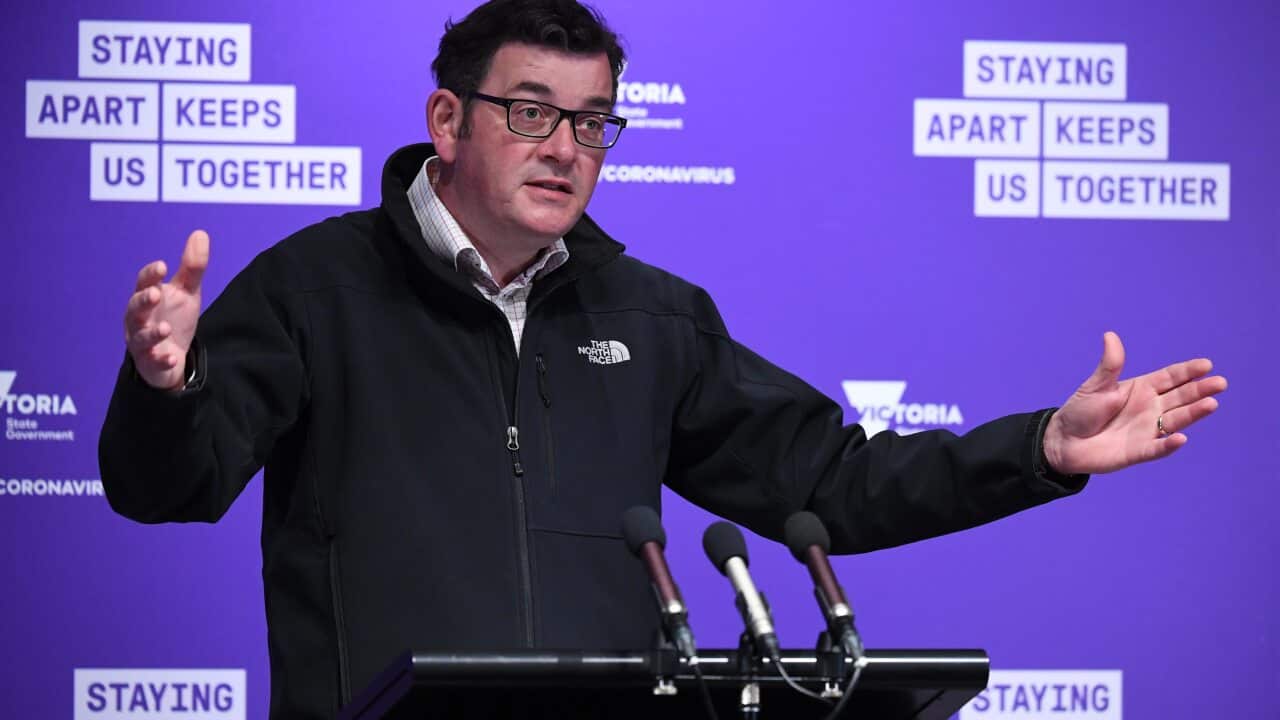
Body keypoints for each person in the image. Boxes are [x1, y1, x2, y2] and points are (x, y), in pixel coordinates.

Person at [98, 1, 1227, 717]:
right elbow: (168, 487)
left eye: (592, 123)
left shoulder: (650, 316)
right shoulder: (315, 288)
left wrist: (1038, 450)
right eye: (531, 112)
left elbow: (825, 482)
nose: (566, 149)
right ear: (446, 119)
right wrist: (165, 389)